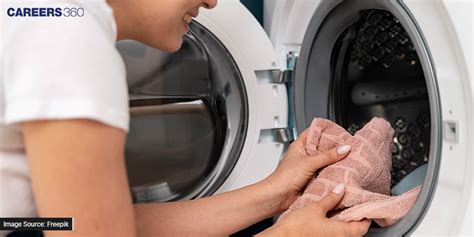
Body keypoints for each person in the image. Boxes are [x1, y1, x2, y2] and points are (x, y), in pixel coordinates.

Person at [0, 0, 371, 236]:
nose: (212, 1)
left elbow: (88, 225)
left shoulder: (44, 15)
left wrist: (274, 194)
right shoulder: (68, 39)